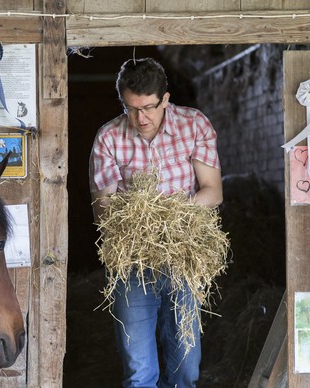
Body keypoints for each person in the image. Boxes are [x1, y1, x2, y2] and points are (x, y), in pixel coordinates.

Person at [89, 57, 223, 387]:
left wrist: (166, 217)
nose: (141, 117)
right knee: (139, 370)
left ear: (165, 99)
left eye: (149, 107)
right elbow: (103, 208)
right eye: (132, 108)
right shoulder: (108, 137)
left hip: (183, 257)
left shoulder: (194, 125)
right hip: (132, 261)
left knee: (186, 369)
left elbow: (213, 192)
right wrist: (136, 223)